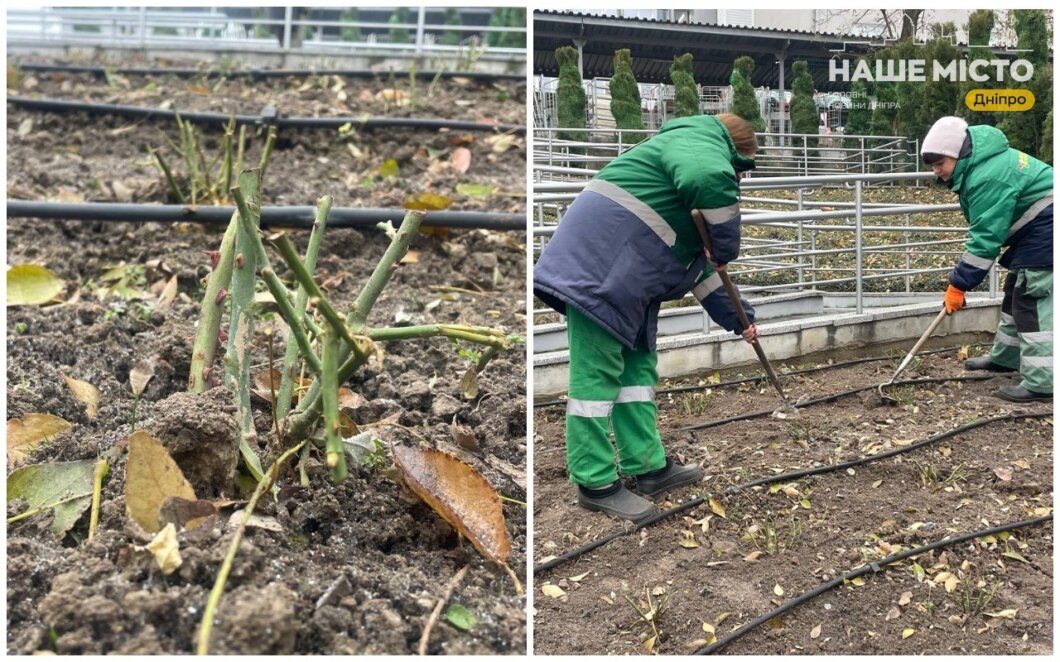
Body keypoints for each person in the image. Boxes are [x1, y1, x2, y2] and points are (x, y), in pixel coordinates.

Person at [534, 113, 759, 522]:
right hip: (598, 276)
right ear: (734, 148)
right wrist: (727, 243)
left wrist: (740, 319)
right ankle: (595, 482)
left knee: (637, 375)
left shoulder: (673, 182)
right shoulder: (699, 141)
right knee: (595, 380)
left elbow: (702, 272)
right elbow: (708, 175)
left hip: (628, 281)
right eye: (739, 169)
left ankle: (648, 466)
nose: (736, 178)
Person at [921, 116, 1053, 402]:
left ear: (957, 155)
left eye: (939, 163)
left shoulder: (988, 176)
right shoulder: (981, 165)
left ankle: (1044, 381)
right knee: (1014, 294)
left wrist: (958, 285)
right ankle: (1007, 358)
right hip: (1035, 230)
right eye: (932, 165)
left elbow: (985, 239)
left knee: (1031, 302)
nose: (936, 171)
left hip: (1048, 229)